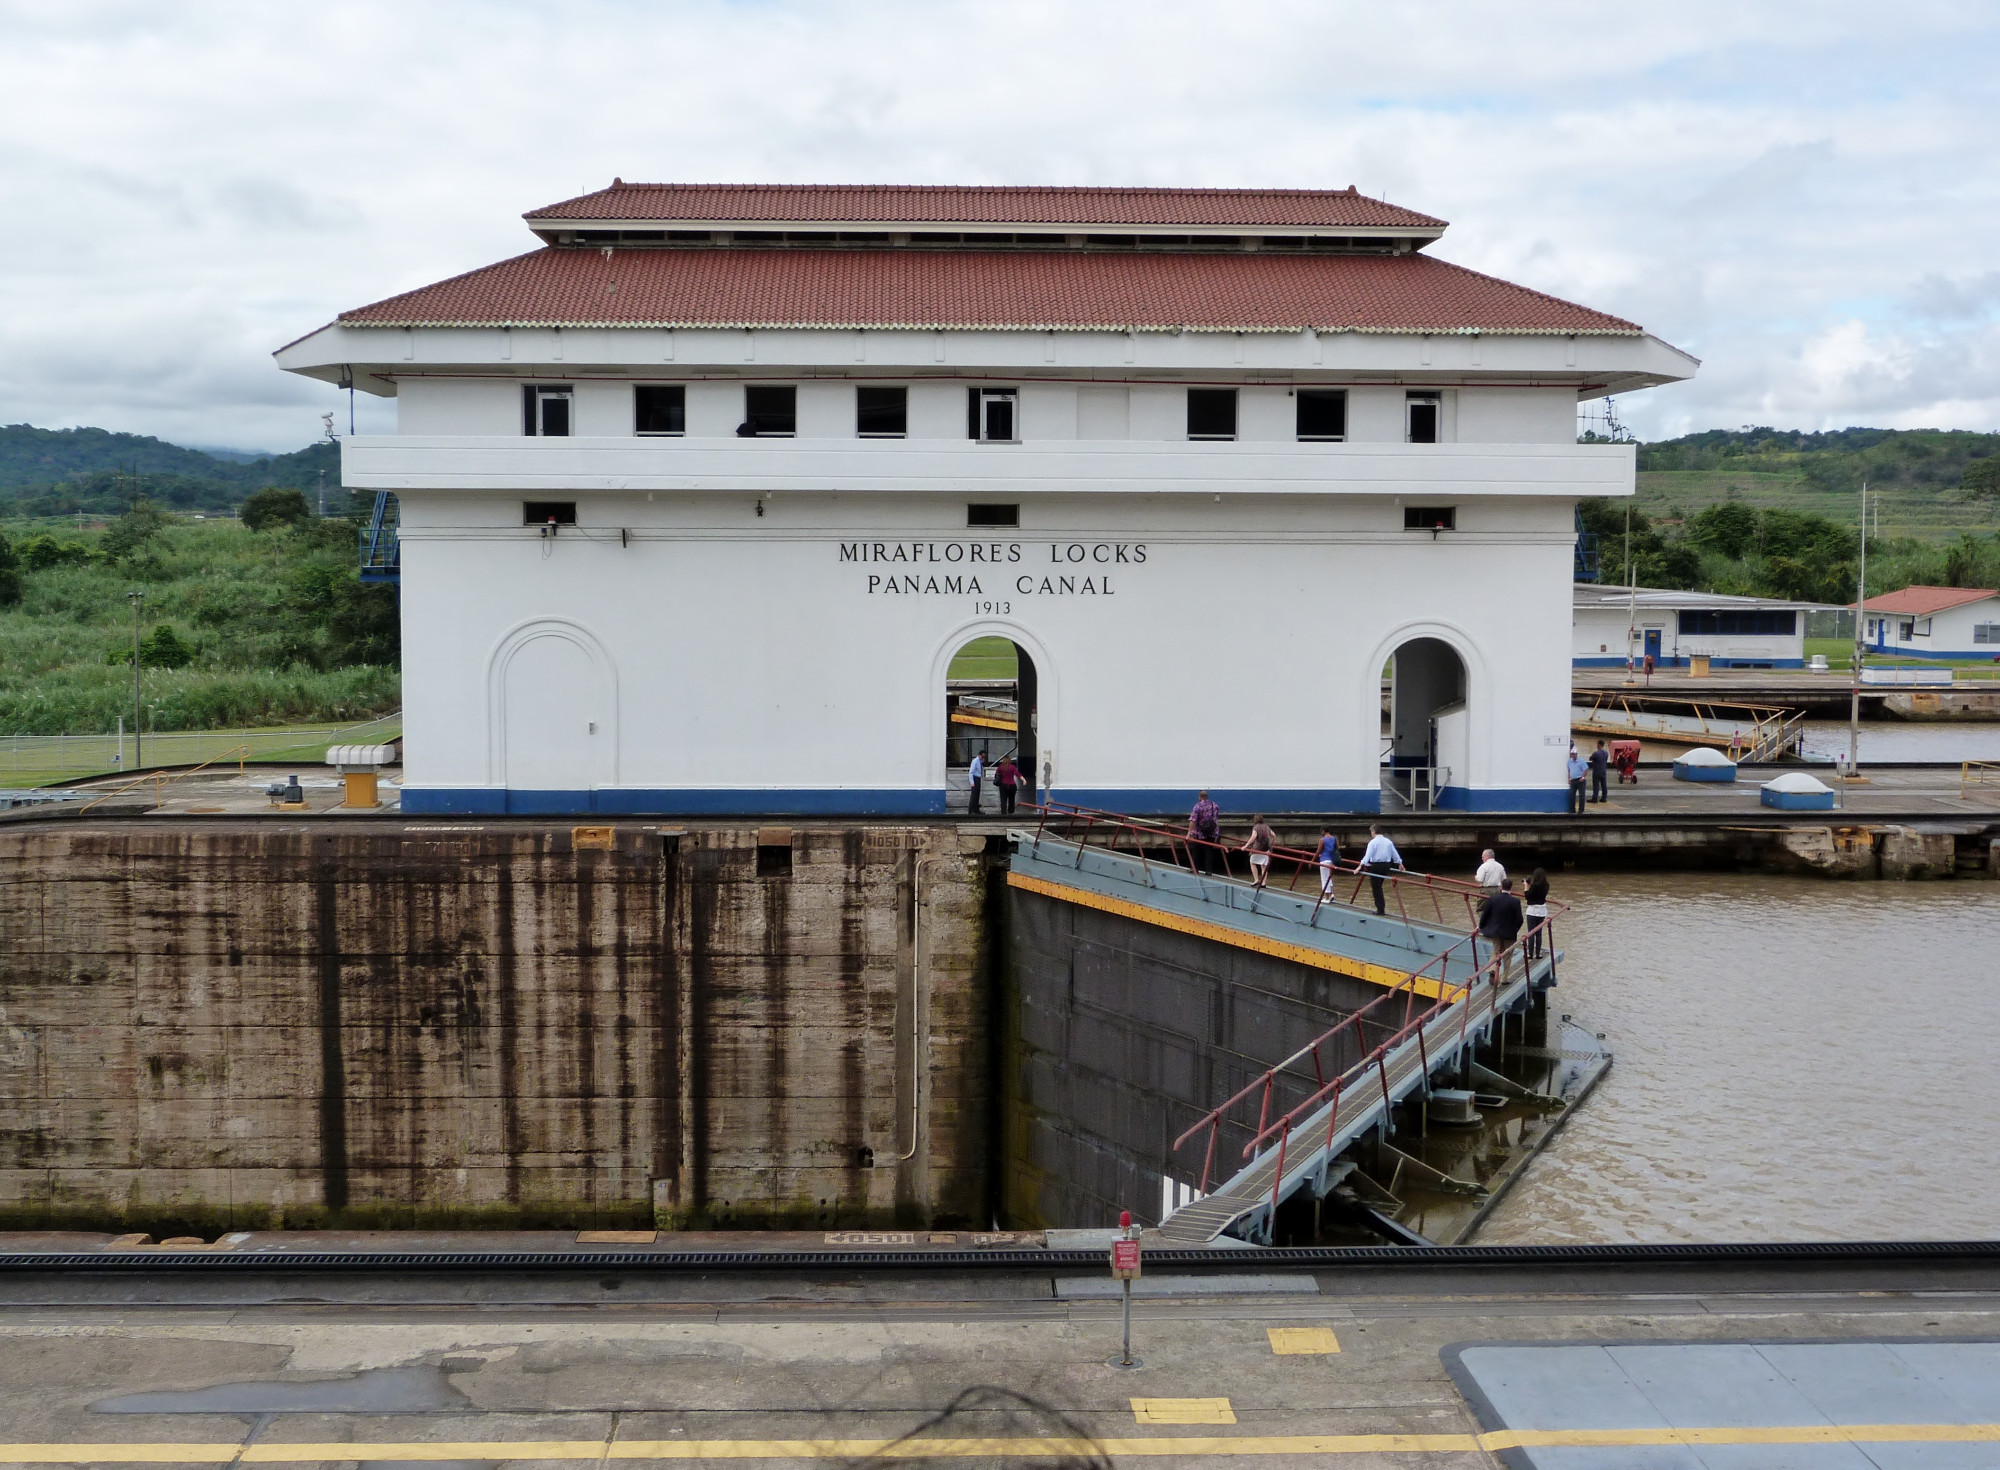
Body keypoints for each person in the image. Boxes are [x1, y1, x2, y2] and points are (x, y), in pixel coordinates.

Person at [1476, 877, 1525, 978]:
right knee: (1507, 955)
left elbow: (1485, 915)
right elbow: (1520, 919)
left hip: (1496, 931)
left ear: (1501, 887)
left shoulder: (1492, 899)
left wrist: (1481, 926)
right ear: (1511, 888)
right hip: (1510, 932)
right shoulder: (1515, 901)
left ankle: (1492, 969)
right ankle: (1504, 978)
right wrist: (1515, 929)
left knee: (1496, 951)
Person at [1360, 824, 1404, 916]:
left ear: (1373, 832)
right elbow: (1394, 853)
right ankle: (1381, 908)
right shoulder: (1388, 841)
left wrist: (1360, 866)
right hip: (1386, 866)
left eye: (1371, 832)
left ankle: (1380, 909)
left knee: (1376, 887)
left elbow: (1367, 856)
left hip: (1376, 866)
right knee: (1379, 885)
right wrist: (1400, 863)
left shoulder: (1373, 842)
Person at [1188, 790, 1221, 874]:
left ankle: (1194, 868)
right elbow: (1215, 819)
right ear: (1207, 796)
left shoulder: (1198, 806)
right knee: (1209, 851)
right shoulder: (1215, 805)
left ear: (1200, 797)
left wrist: (1189, 833)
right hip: (1212, 832)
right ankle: (1209, 870)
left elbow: (1193, 821)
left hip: (1200, 832)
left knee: (1196, 850)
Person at [1522, 867, 1550, 962]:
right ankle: (1538, 953)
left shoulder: (1534, 886)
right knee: (1539, 933)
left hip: (1533, 911)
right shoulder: (1546, 885)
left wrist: (1526, 886)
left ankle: (1530, 953)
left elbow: (1528, 896)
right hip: (1542, 911)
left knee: (1531, 933)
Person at [1242, 815, 1276, 890]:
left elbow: (1253, 837)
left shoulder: (1256, 827)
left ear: (1255, 820)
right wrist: (1273, 841)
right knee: (1263, 866)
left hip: (1257, 849)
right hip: (1266, 849)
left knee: (1252, 863)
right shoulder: (1266, 826)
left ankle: (1256, 879)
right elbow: (1273, 834)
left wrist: (1246, 845)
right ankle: (1263, 883)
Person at [1316, 826, 1343, 897]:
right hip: (1331, 860)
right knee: (1329, 877)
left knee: (1324, 879)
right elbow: (1336, 848)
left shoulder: (1322, 840)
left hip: (1324, 860)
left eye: (1321, 831)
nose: (1321, 833)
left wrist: (1312, 861)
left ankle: (1327, 897)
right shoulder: (1334, 838)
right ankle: (1331, 894)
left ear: (1324, 831)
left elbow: (1318, 851)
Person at [1566, 745, 1588, 816]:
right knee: (1571, 795)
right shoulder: (1569, 761)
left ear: (1577, 754)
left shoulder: (1581, 761)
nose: (1573, 755)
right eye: (1572, 754)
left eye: (1575, 754)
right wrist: (1569, 778)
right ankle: (1572, 809)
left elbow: (1585, 769)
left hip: (1580, 780)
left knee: (1582, 795)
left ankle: (1581, 810)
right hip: (1573, 780)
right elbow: (1569, 770)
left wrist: (1583, 777)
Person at [1588, 739, 1610, 805]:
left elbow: (1590, 758)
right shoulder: (1606, 753)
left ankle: (1595, 798)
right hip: (1603, 771)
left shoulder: (1596, 753)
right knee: (1604, 785)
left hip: (1596, 771)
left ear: (1599, 745)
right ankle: (1604, 797)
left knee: (1596, 786)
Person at [966, 749, 985, 815]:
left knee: (977, 795)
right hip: (975, 778)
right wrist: (972, 782)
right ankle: (970, 810)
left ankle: (976, 809)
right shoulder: (975, 761)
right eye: (982, 757)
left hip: (978, 778)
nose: (983, 758)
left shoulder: (980, 762)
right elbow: (971, 772)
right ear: (979, 755)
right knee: (974, 795)